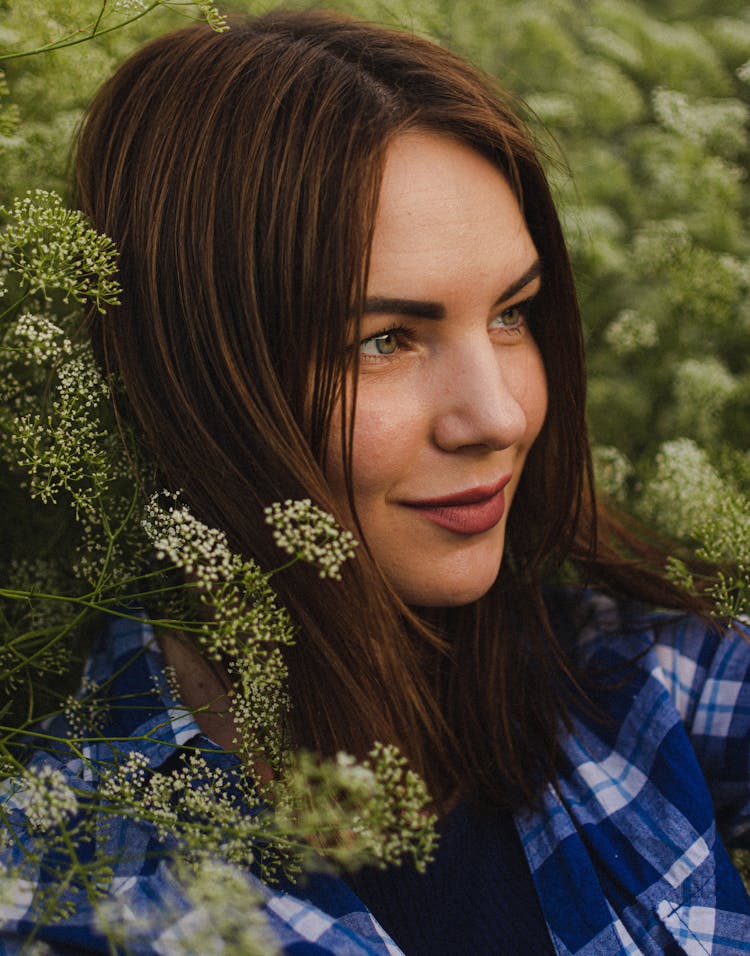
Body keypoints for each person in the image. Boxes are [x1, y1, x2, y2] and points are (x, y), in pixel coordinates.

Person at [2, 8, 750, 954]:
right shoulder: (70, 891)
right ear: (189, 379)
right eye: (384, 340)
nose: (501, 418)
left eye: (514, 313)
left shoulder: (626, 677)